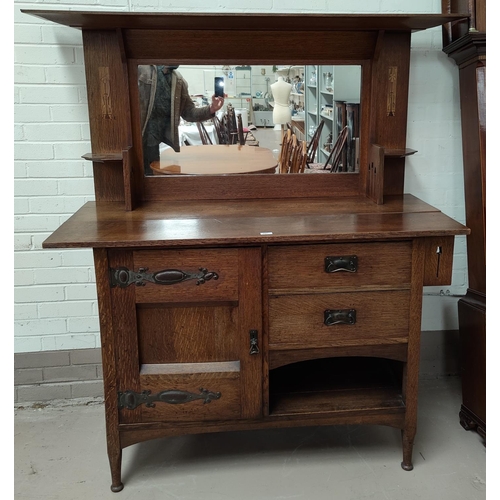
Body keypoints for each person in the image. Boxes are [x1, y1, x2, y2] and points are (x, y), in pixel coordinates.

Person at [138, 65, 225, 174]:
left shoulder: (178, 80)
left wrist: (211, 109)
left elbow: (189, 113)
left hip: (153, 143)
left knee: (149, 178)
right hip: (135, 139)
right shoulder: (142, 69)